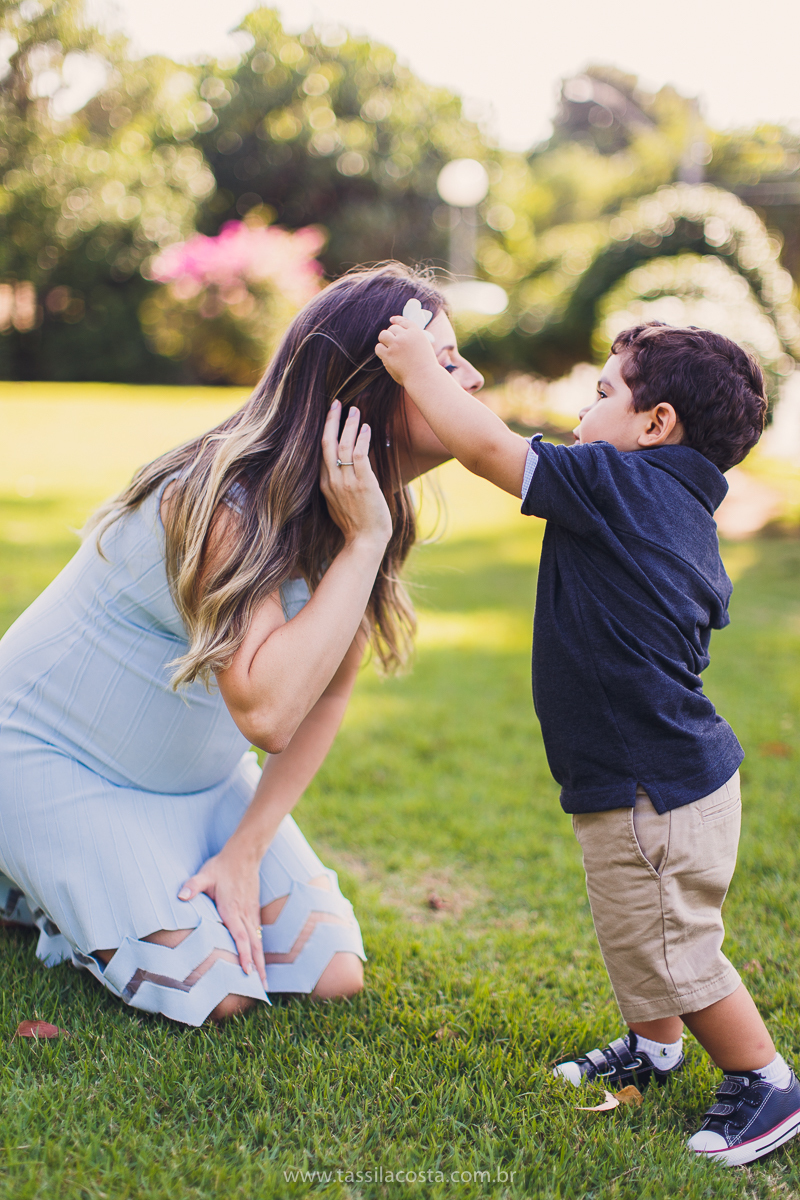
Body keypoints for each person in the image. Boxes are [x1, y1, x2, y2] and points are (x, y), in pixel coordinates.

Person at [0, 264, 483, 1026]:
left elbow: (326, 695)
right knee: (214, 993)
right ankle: (28, 878)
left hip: (196, 789)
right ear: (365, 387)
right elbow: (267, 713)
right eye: (446, 360)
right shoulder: (221, 498)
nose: (474, 380)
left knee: (330, 973)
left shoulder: (361, 506)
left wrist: (248, 846)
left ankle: (57, 884)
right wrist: (365, 544)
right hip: (52, 763)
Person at [376, 313, 800, 1166]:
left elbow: (490, 450)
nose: (584, 407)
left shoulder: (618, 485)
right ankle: (657, 1045)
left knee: (673, 944)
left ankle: (767, 1082)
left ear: (655, 425)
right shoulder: (675, 506)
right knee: (632, 927)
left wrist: (420, 369)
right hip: (650, 777)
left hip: (655, 784)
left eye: (603, 393)